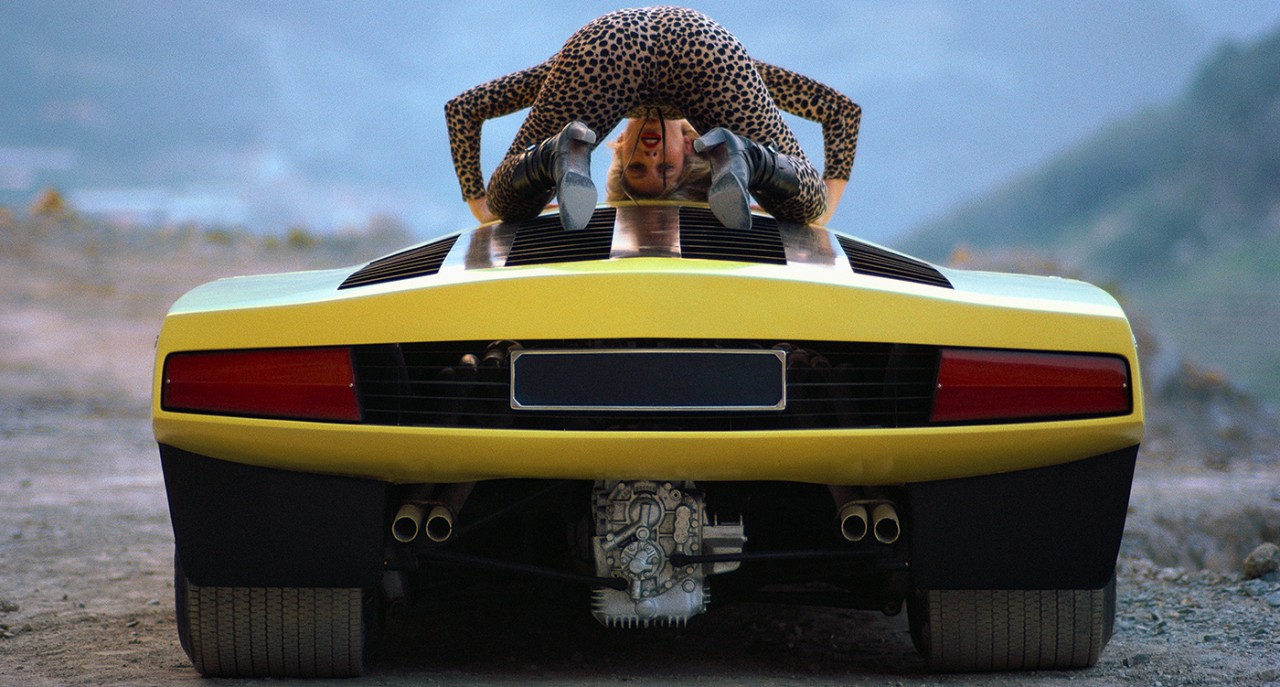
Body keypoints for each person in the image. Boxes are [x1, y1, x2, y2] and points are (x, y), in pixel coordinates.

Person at [445, 6, 861, 230]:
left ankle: (558, 153)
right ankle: (748, 156)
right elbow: (840, 112)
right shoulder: (729, 75)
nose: (650, 156)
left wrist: (482, 207)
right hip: (699, 42)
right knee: (804, 207)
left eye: (637, 167)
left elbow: (465, 109)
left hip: (608, 44)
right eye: (665, 167)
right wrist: (823, 212)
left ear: (618, 145)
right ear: (692, 146)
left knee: (509, 207)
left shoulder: (577, 72)